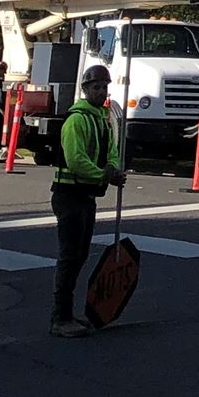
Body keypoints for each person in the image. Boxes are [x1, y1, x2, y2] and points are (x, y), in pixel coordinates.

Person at [49, 63, 125, 339]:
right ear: (85, 89)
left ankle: (67, 314)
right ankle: (60, 317)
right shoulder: (76, 120)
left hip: (87, 195)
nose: (101, 92)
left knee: (80, 255)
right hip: (68, 195)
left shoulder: (103, 119)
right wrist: (103, 175)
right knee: (69, 257)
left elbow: (112, 150)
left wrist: (112, 169)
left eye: (104, 87)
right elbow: (76, 160)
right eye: (96, 87)